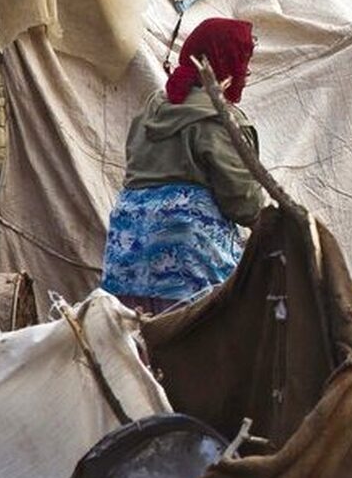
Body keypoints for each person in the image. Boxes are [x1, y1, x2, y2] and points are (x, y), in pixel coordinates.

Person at [101, 17, 266, 314]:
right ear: (223, 62)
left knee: (133, 338)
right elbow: (243, 201)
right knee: (203, 337)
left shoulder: (152, 109)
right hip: (187, 261)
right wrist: (269, 225)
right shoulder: (218, 121)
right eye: (242, 61)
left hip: (127, 254)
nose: (247, 71)